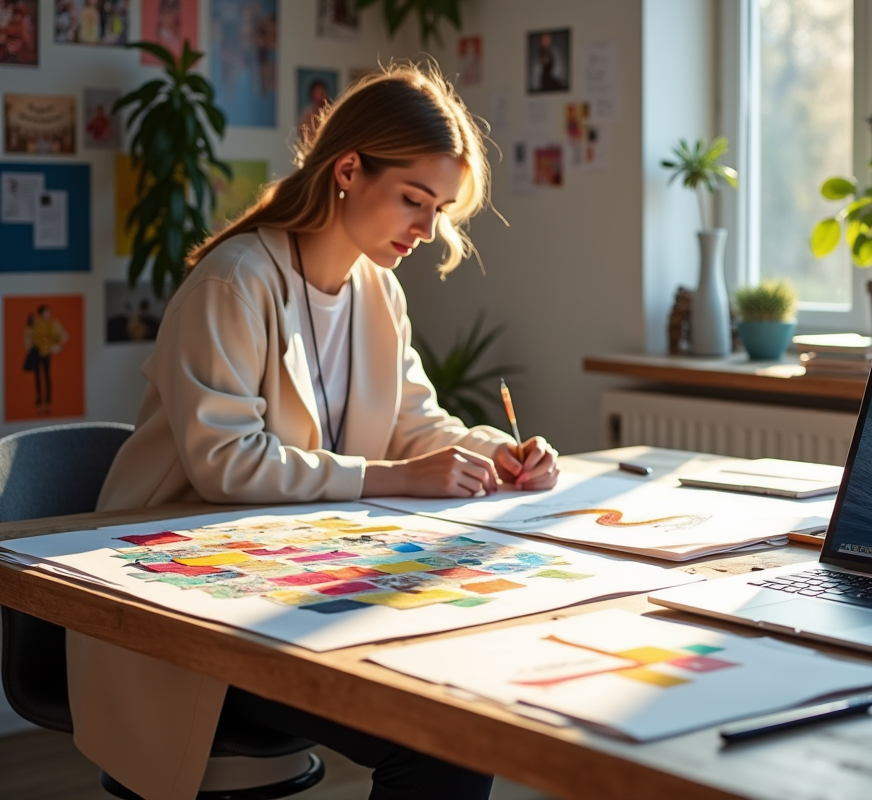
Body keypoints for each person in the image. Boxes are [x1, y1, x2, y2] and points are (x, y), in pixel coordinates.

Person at [77, 62, 559, 800]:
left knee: (459, 718)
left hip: (297, 590)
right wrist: (393, 477)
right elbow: (226, 464)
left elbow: (412, 425)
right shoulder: (234, 282)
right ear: (347, 169)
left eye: (441, 210)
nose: (428, 231)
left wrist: (500, 451)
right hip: (190, 612)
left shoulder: (377, 291)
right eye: (414, 201)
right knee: (441, 746)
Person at [28, 304, 67, 414]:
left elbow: (61, 337)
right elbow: (30, 338)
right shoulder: (36, 324)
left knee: (47, 377)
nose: (48, 314)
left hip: (46, 353)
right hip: (37, 353)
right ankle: (39, 401)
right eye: (46, 312)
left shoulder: (52, 324)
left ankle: (48, 401)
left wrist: (54, 346)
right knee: (38, 378)